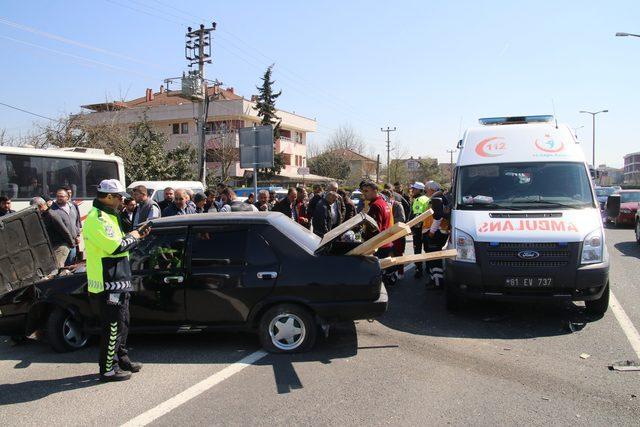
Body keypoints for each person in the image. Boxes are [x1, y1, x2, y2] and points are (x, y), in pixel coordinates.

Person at [83, 179, 150, 382]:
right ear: (109, 197)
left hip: (119, 279)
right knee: (112, 326)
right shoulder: (97, 219)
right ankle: (108, 369)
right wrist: (136, 236)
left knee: (123, 323)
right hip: (107, 280)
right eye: (120, 197)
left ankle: (122, 359)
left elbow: (122, 241)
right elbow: (116, 247)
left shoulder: (111, 215)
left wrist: (137, 235)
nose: (124, 200)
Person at [360, 180, 395, 286]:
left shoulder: (375, 205)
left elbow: (374, 228)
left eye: (366, 191)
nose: (364, 193)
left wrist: (364, 238)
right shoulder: (384, 203)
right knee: (385, 270)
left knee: (378, 275)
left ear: (375, 191)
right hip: (386, 242)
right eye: (363, 191)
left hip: (379, 244)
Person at [30, 197, 74, 269]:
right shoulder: (43, 215)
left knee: (56, 268)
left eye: (35, 208)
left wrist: (72, 244)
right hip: (53, 247)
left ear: (41, 206)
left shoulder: (51, 215)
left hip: (61, 246)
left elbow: (64, 230)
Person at [422, 181, 450, 289]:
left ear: (431, 189)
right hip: (436, 231)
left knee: (434, 258)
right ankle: (434, 279)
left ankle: (437, 282)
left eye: (427, 189)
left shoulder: (438, 198)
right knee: (432, 258)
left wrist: (432, 231)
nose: (426, 190)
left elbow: (438, 217)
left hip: (436, 232)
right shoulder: (440, 197)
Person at [51, 187, 81, 266]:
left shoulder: (73, 206)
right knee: (61, 267)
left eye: (61, 196)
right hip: (61, 244)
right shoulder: (52, 209)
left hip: (73, 242)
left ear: (67, 197)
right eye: (58, 196)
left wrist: (77, 235)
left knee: (71, 265)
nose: (59, 198)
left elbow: (77, 221)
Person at [382, 189, 407, 279]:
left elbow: (402, 219)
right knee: (389, 254)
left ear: (391, 197)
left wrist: (390, 224)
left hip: (397, 234)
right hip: (388, 234)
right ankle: (391, 273)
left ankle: (400, 272)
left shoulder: (397, 205)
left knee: (398, 253)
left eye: (386, 197)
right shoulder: (384, 205)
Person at [408, 182, 429, 278]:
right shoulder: (427, 198)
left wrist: (412, 229)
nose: (412, 190)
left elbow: (417, 217)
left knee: (417, 250)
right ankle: (429, 269)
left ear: (420, 190)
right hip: (427, 228)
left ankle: (418, 269)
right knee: (428, 249)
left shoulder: (418, 200)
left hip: (419, 229)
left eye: (414, 189)